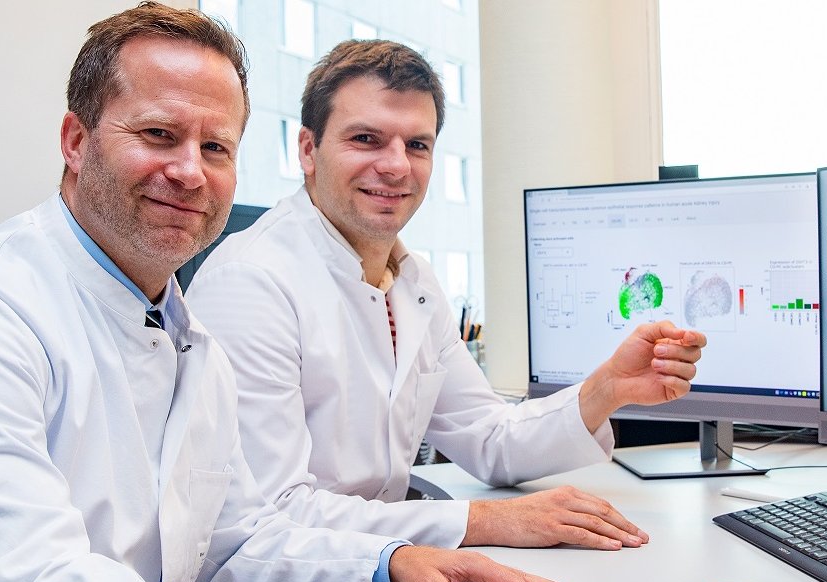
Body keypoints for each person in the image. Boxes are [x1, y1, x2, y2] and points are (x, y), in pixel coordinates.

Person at [0, 4, 576, 582]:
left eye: (216, 148)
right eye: (159, 134)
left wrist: (389, 563)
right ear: (76, 141)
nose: (190, 172)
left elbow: (233, 546)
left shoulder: (186, 339)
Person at [185, 39, 708, 550]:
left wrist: (608, 388)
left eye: (417, 145)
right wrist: (485, 521)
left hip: (383, 565)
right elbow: (277, 515)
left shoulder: (412, 282)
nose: (395, 166)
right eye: (366, 139)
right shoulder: (251, 281)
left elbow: (489, 439)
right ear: (307, 150)